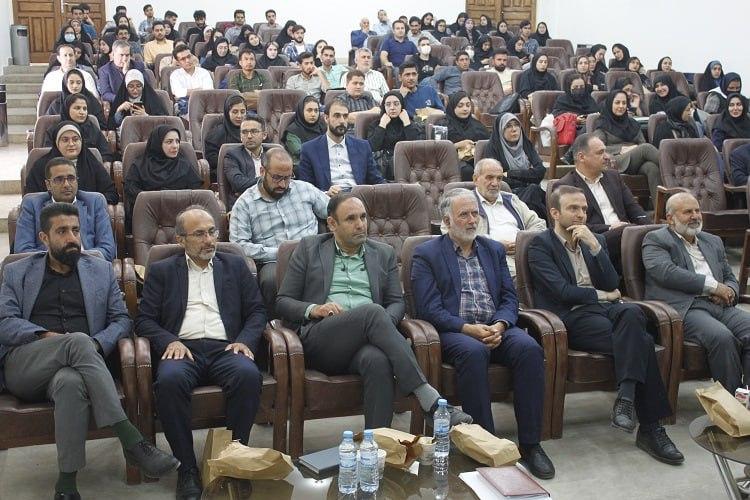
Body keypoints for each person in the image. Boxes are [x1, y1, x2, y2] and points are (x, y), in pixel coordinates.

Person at [0, 202, 180, 499]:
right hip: (27, 364)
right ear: (44, 238)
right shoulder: (16, 272)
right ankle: (131, 440)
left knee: (70, 382)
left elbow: (122, 319)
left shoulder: (99, 269)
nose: (72, 238)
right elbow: (5, 322)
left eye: (75, 230)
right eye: (62, 231)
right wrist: (47, 336)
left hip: (81, 366)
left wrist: (96, 345)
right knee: (77, 341)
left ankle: (66, 486)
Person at [276, 194, 473, 431]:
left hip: (366, 342)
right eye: (351, 219)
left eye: (363, 217)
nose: (360, 224)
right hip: (322, 339)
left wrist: (380, 327)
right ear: (332, 224)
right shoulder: (309, 248)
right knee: (372, 312)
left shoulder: (383, 252)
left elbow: (397, 302)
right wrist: (315, 309)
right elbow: (283, 301)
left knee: (377, 361)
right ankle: (429, 400)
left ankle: (377, 443)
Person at [528, 185, 684, 465]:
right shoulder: (540, 245)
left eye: (584, 209)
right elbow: (562, 292)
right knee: (643, 342)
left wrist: (597, 247)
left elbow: (613, 282)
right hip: (571, 318)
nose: (580, 214)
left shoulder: (594, 240)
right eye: (573, 208)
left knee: (633, 312)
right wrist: (605, 296)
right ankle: (651, 429)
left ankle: (626, 399)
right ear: (554, 213)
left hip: (606, 313)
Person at [411, 188, 553, 479]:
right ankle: (484, 444)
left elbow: (509, 297)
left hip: (494, 326)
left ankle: (531, 444)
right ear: (446, 221)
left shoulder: (492, 249)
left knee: (529, 349)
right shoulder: (426, 254)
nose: (472, 220)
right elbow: (428, 309)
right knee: (473, 352)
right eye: (464, 215)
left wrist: (501, 324)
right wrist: (468, 329)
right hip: (455, 331)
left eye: (475, 213)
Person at [136, 205, 266, 500]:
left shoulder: (235, 265)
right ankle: (187, 469)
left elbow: (257, 311)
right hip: (183, 349)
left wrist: (245, 340)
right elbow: (144, 320)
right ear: (180, 239)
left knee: (248, 375)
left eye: (211, 232)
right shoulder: (163, 271)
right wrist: (169, 340)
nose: (208, 240)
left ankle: (233, 462)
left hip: (226, 347)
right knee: (169, 382)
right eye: (199, 234)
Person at [644, 192, 750, 394]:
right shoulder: (656, 239)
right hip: (686, 308)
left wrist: (730, 291)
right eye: (687, 212)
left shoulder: (713, 241)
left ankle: (747, 399)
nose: (695, 216)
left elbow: (729, 276)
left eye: (697, 210)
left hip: (720, 305)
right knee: (722, 338)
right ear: (670, 218)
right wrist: (713, 286)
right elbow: (667, 273)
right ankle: (730, 404)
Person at [230, 147, 328, 309]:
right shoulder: (245, 203)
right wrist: (279, 253)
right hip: (273, 260)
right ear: (262, 171)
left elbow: (335, 212)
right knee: (270, 280)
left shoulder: (305, 189)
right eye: (276, 178)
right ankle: (278, 321)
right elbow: (239, 245)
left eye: (287, 177)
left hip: (313, 254)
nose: (282, 184)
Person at [554, 134, 650, 271]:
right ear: (582, 157)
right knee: (629, 233)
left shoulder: (613, 176)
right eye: (600, 153)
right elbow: (573, 225)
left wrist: (649, 228)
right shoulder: (566, 186)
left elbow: (634, 209)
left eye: (605, 151)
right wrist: (609, 228)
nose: (606, 156)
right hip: (594, 239)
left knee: (655, 234)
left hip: (626, 235)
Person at [446, 159, 546, 279]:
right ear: (475, 179)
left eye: (499, 178)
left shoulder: (511, 200)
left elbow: (539, 224)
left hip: (524, 253)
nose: (495, 183)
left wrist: (523, 242)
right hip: (489, 257)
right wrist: (494, 246)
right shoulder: (463, 202)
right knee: (523, 276)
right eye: (489, 178)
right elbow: (449, 232)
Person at [15, 157, 115, 261]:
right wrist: (58, 263)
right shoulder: (32, 204)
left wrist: (78, 261)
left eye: (71, 178)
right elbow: (23, 250)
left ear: (77, 181)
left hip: (88, 266)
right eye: (59, 180)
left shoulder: (95, 202)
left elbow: (107, 249)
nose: (66, 185)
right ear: (48, 184)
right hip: (46, 268)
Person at [298, 99, 385, 195]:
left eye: (345, 116)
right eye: (337, 116)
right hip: (329, 199)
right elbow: (306, 188)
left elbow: (377, 180)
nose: (342, 121)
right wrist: (325, 193)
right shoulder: (309, 149)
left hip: (358, 196)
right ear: (326, 118)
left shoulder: (362, 146)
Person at [124, 125, 203, 224]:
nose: (175, 146)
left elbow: (196, 194)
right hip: (149, 216)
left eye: (177, 141)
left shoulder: (184, 165)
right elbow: (132, 191)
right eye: (169, 142)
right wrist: (157, 201)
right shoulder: (140, 165)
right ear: (157, 144)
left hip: (182, 217)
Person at [592, 91, 661, 204]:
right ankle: (672, 167)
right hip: (615, 160)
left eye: (624, 103)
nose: (621, 106)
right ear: (610, 104)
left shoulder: (632, 123)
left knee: (652, 168)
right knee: (646, 148)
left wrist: (634, 149)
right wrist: (621, 149)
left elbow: (641, 143)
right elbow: (597, 149)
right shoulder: (603, 123)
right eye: (617, 103)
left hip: (635, 160)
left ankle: (660, 209)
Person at [27, 121, 118, 204]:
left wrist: (91, 206)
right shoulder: (41, 166)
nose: (71, 144)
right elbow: (32, 198)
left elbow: (111, 193)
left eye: (75, 139)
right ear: (57, 143)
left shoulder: (92, 163)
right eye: (65, 140)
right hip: (51, 212)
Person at [485, 113, 546, 219]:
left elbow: (541, 171)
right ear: (500, 130)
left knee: (534, 191)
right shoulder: (493, 148)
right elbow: (497, 179)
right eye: (508, 126)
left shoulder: (526, 144)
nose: (514, 129)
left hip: (530, 191)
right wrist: (529, 176)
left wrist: (511, 173)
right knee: (533, 193)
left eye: (517, 125)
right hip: (507, 194)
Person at [45, 93, 113, 163]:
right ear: (67, 109)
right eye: (77, 108)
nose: (82, 112)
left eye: (84, 109)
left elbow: (106, 154)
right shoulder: (54, 130)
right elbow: (48, 154)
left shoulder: (92, 129)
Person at [437, 91, 490, 180]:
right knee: (467, 171)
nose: (465, 109)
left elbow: (488, 143)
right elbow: (437, 150)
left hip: (477, 159)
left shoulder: (476, 124)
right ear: (453, 107)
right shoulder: (442, 125)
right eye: (460, 106)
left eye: (468, 105)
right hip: (452, 160)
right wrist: (458, 145)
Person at [367, 91, 420, 180]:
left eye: (396, 104)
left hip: (407, 164)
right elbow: (372, 147)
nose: (392, 108)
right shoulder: (375, 125)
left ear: (402, 106)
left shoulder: (410, 123)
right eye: (388, 105)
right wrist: (382, 126)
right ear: (383, 107)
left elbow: (416, 147)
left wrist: (407, 123)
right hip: (383, 167)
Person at [221, 115, 269, 209]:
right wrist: (268, 180)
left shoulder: (273, 153)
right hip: (245, 204)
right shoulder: (232, 155)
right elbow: (238, 184)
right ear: (240, 136)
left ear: (264, 135)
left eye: (254, 131)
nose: (249, 136)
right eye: (244, 132)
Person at [204, 95, 246, 181]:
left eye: (242, 112)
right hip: (226, 173)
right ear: (227, 113)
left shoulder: (252, 130)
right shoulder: (217, 133)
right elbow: (212, 159)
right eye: (235, 112)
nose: (239, 116)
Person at [282, 96, 326, 169]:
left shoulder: (322, 127)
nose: (313, 114)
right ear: (301, 111)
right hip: (302, 167)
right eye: (309, 110)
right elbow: (299, 152)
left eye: (316, 111)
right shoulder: (292, 130)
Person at [97, 39, 146, 104]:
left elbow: (146, 88)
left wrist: (127, 74)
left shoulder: (138, 66)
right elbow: (105, 94)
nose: (125, 59)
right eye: (121, 55)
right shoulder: (104, 70)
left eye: (127, 55)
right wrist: (122, 100)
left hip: (139, 102)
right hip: (118, 104)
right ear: (113, 54)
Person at [170, 45, 213, 117]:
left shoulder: (204, 72)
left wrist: (187, 92)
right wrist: (199, 90)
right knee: (193, 115)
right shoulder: (175, 75)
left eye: (189, 56)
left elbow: (209, 91)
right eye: (183, 59)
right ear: (178, 62)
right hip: (184, 105)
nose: (187, 60)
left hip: (204, 104)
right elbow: (179, 93)